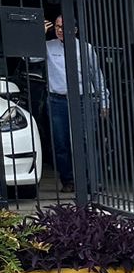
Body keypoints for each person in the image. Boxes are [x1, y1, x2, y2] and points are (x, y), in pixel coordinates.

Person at [43, 13, 103, 190]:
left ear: (75, 30)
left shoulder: (85, 48)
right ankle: (68, 180)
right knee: (61, 142)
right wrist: (38, 35)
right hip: (57, 100)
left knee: (87, 140)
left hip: (84, 99)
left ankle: (92, 181)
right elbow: (27, 58)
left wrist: (104, 99)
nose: (60, 30)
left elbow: (96, 74)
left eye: (64, 27)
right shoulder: (47, 46)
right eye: (57, 26)